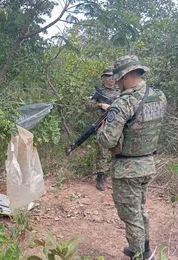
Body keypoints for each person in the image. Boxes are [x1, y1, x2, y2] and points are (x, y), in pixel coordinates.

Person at [97, 55, 167, 260]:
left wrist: (103, 127)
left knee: (131, 215)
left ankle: (138, 255)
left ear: (127, 76)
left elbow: (107, 141)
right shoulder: (159, 96)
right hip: (147, 163)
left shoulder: (123, 103)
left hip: (128, 169)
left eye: (118, 79)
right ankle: (144, 249)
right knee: (141, 209)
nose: (117, 83)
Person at [86, 66, 119, 191]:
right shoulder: (98, 91)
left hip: (118, 124)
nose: (110, 79)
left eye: (112, 76)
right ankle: (100, 177)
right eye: (107, 76)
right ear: (103, 77)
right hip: (103, 123)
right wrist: (101, 105)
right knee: (102, 151)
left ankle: (116, 177)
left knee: (119, 150)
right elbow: (88, 105)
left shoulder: (121, 90)